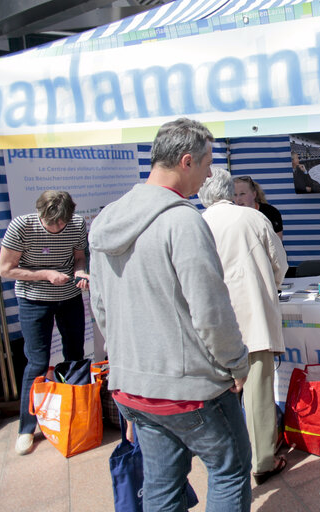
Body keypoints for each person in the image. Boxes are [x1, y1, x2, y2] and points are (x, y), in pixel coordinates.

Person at [88, 118, 252, 511]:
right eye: (207, 162)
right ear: (186, 161)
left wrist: (125, 362)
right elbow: (211, 310)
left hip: (134, 385)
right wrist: (235, 363)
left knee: (162, 485)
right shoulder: (181, 220)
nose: (210, 173)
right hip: (190, 389)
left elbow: (101, 308)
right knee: (229, 470)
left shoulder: (108, 218)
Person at [198, 167, 289, 485]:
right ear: (228, 191)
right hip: (253, 319)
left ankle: (224, 458)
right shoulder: (253, 218)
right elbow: (281, 264)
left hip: (211, 322)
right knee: (258, 392)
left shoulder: (196, 223)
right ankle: (262, 461)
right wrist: (266, 287)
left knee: (217, 393)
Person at [0, 190, 89, 456]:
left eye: (62, 223)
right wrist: (45, 275)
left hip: (69, 297)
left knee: (75, 356)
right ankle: (26, 428)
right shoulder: (21, 226)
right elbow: (5, 270)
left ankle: (75, 413)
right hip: (33, 299)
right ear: (40, 214)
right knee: (37, 362)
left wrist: (79, 271)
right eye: (51, 223)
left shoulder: (77, 224)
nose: (57, 227)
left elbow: (79, 256)